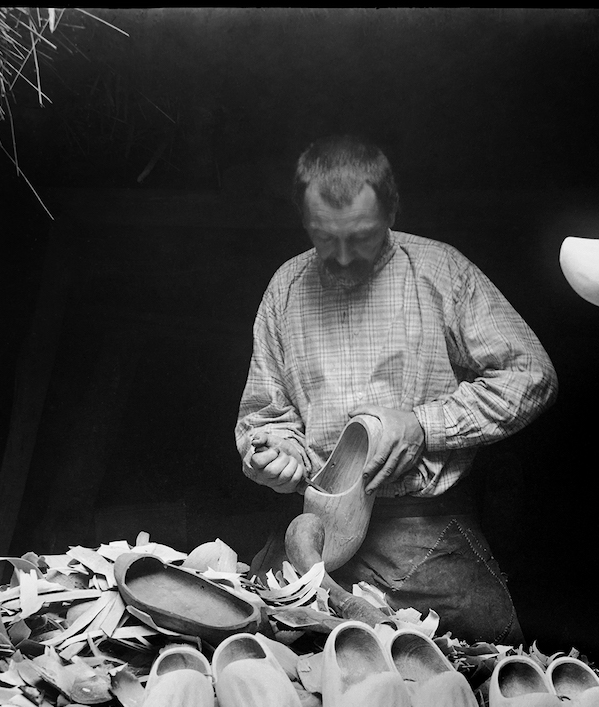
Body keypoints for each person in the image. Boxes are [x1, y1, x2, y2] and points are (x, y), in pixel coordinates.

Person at [234, 134, 557, 644]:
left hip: (425, 540)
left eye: (360, 237)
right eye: (324, 237)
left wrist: (424, 426)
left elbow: (530, 375)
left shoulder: (440, 271)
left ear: (391, 210)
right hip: (310, 536)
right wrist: (276, 456)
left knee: (473, 678)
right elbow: (265, 419)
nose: (341, 257)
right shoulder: (286, 287)